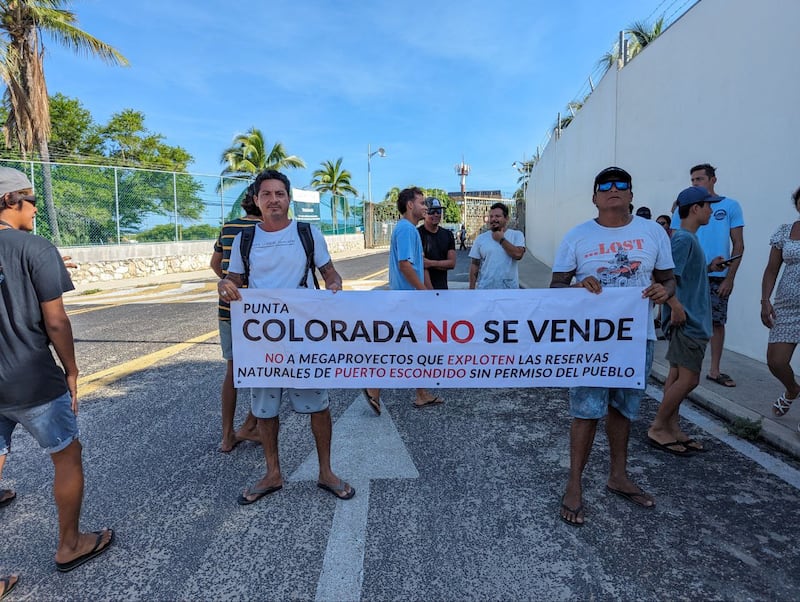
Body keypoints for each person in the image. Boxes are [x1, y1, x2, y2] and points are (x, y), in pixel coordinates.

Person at [0, 167, 114, 571]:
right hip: (30, 378)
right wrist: (72, 371)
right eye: (30, 200)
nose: (34, 209)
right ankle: (70, 544)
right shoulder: (34, 248)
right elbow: (57, 322)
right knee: (67, 455)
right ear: (10, 201)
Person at [219, 169, 354, 504]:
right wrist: (225, 286)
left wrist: (335, 285)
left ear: (288, 199)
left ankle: (326, 471)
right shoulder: (245, 240)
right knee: (265, 409)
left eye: (280, 194)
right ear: (256, 200)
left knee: (318, 405)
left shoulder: (308, 233)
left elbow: (328, 271)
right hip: (263, 339)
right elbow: (233, 278)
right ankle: (273, 473)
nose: (274, 200)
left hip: (304, 337)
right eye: (266, 194)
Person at [550, 166, 675, 526]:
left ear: (631, 195)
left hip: (636, 339)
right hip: (589, 341)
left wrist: (665, 292)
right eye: (605, 185)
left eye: (622, 185)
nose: (614, 189)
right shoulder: (577, 237)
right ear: (594, 197)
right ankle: (574, 483)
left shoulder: (653, 233)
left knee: (624, 409)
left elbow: (669, 280)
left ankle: (618, 476)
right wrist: (577, 286)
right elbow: (555, 288)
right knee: (586, 410)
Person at [647, 186, 723, 455]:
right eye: (708, 205)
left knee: (678, 375)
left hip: (690, 319)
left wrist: (709, 268)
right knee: (689, 380)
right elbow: (667, 277)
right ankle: (658, 427)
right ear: (695, 208)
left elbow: (685, 273)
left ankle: (672, 428)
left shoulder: (689, 239)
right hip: (688, 320)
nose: (711, 210)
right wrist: (675, 307)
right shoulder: (683, 240)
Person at [363, 187, 443, 414]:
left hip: (405, 298)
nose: (425, 207)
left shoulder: (406, 229)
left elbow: (416, 265)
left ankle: (420, 393)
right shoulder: (407, 230)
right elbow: (405, 265)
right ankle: (373, 388)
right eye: (421, 202)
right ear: (410, 205)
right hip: (407, 299)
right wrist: (422, 291)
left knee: (413, 346)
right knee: (398, 346)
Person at [672, 163, 744, 387]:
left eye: (700, 179)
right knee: (686, 324)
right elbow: (675, 242)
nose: (695, 183)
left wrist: (729, 277)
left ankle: (714, 370)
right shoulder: (683, 208)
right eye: (693, 180)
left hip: (716, 274)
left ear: (713, 180)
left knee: (717, 322)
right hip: (690, 277)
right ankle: (683, 372)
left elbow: (738, 244)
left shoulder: (730, 206)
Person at [210, 184, 260, 452]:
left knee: (233, 370)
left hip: (230, 308)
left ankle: (228, 436)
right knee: (272, 368)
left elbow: (215, 264)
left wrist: (228, 284)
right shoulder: (269, 230)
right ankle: (250, 426)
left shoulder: (229, 228)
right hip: (263, 314)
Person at [761, 186, 800, 428]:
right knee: (775, 361)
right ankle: (793, 389)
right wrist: (765, 300)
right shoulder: (785, 231)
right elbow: (772, 269)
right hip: (786, 306)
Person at [468, 202, 525, 289]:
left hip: (509, 290)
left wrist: (501, 240)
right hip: (485, 289)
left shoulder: (517, 235)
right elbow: (475, 264)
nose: (493, 219)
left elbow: (518, 255)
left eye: (497, 216)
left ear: (506, 218)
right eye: (491, 216)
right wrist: (471, 288)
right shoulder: (480, 238)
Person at [418, 197, 456, 290]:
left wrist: (431, 263)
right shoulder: (417, 234)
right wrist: (431, 292)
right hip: (424, 291)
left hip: (443, 289)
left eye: (438, 211)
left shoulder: (448, 235)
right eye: (432, 211)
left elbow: (452, 263)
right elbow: (422, 265)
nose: (436, 214)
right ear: (425, 213)